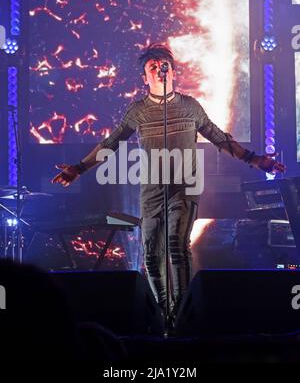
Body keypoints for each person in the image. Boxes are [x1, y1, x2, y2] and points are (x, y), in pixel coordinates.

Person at [52, 43, 285, 323]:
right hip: (151, 192)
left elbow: (219, 138)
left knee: (176, 243)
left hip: (184, 188)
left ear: (173, 72)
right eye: (153, 67)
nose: (159, 70)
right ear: (144, 78)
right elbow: (110, 143)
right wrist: (78, 168)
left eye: (165, 65)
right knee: (151, 255)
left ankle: (184, 314)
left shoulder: (190, 106)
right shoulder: (137, 111)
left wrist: (256, 160)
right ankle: (165, 314)